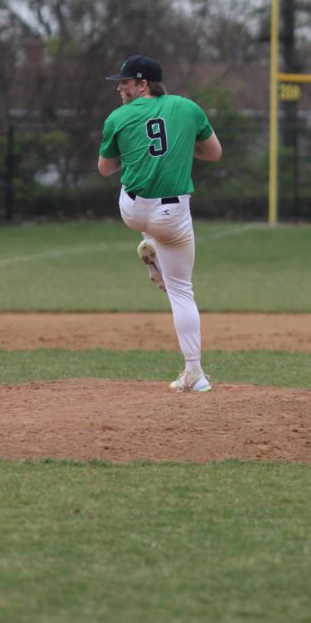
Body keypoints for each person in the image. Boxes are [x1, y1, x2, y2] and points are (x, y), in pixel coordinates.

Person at [98, 54, 222, 392]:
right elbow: (214, 153)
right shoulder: (187, 108)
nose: (120, 87)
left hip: (134, 210)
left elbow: (105, 169)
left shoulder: (118, 117)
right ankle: (194, 373)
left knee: (134, 198)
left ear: (144, 84)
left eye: (126, 81)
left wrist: (133, 149)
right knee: (182, 290)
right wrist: (179, 148)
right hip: (173, 216)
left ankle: (149, 245)